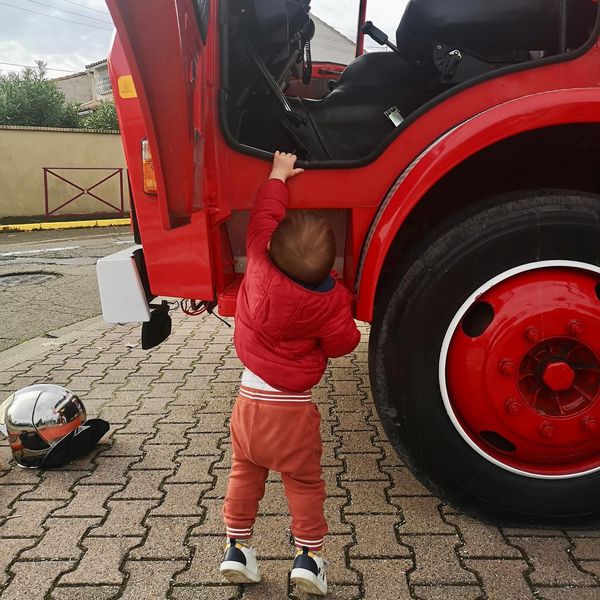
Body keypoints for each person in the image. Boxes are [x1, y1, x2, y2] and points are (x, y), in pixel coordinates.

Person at [220, 152, 361, 596]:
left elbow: (265, 215)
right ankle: (308, 558)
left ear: (269, 247)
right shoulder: (330, 302)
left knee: (244, 474)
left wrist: (278, 176)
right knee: (303, 483)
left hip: (247, 402)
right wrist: (344, 310)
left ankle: (237, 548)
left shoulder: (258, 262)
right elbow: (343, 345)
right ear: (330, 267)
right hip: (291, 411)